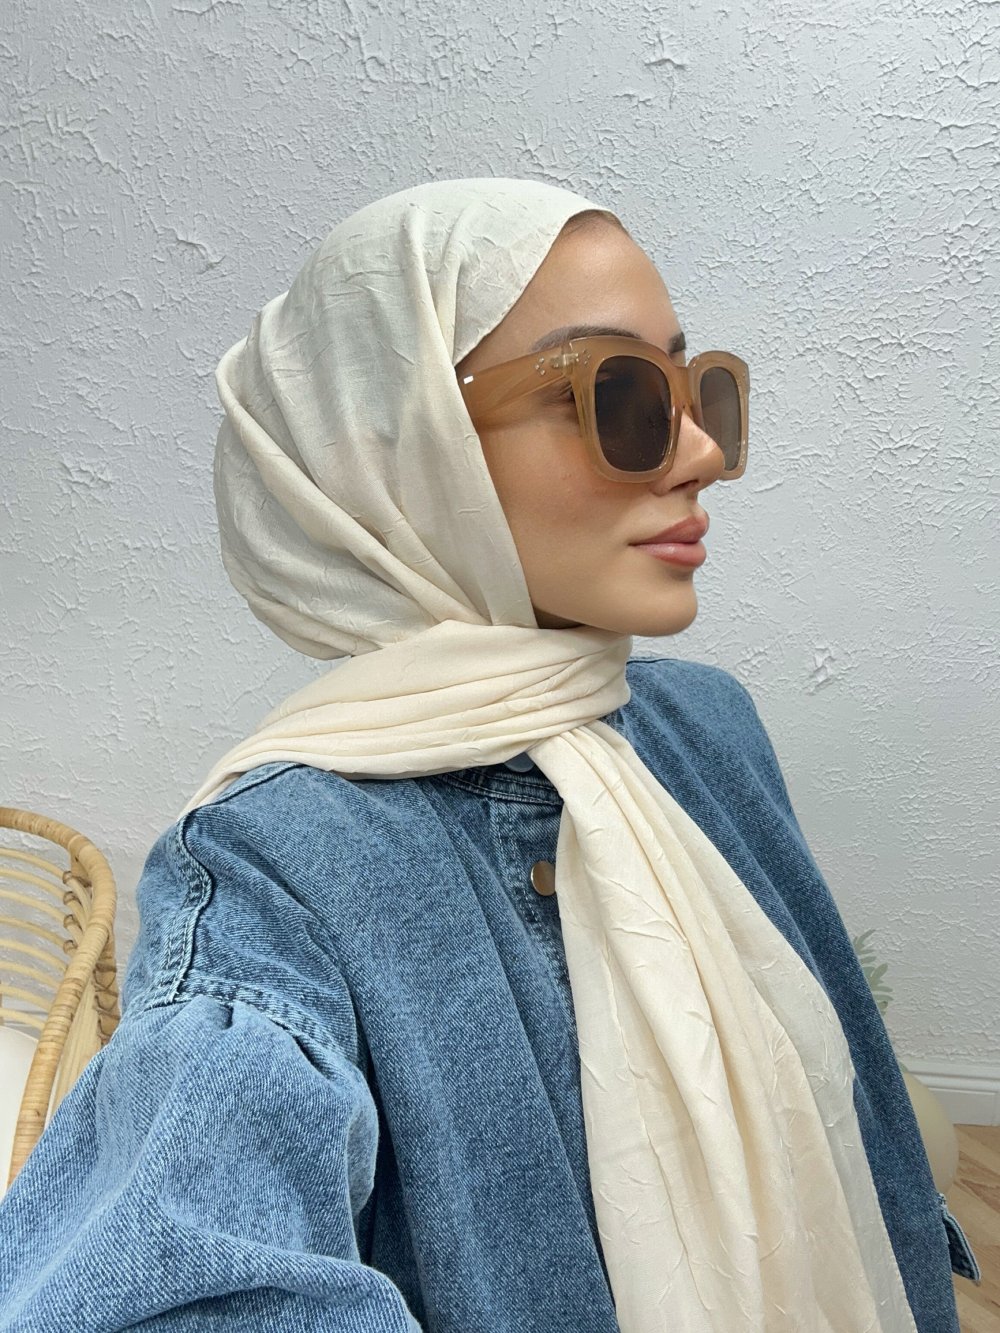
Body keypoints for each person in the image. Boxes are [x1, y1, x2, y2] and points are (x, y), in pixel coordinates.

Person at [0, 178, 977, 1332]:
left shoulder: (706, 727)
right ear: (400, 449)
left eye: (700, 388)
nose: (704, 452)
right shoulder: (273, 868)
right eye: (620, 394)